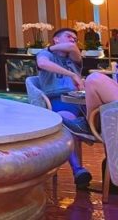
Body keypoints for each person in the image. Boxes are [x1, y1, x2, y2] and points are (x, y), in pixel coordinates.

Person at [36, 27, 92, 188]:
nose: (73, 40)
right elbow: (42, 63)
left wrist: (50, 46)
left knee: (109, 116)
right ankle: (78, 170)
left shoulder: (74, 58)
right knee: (67, 122)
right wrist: (72, 75)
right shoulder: (45, 54)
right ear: (56, 39)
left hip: (82, 100)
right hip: (59, 99)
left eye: (75, 38)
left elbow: (72, 48)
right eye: (69, 36)